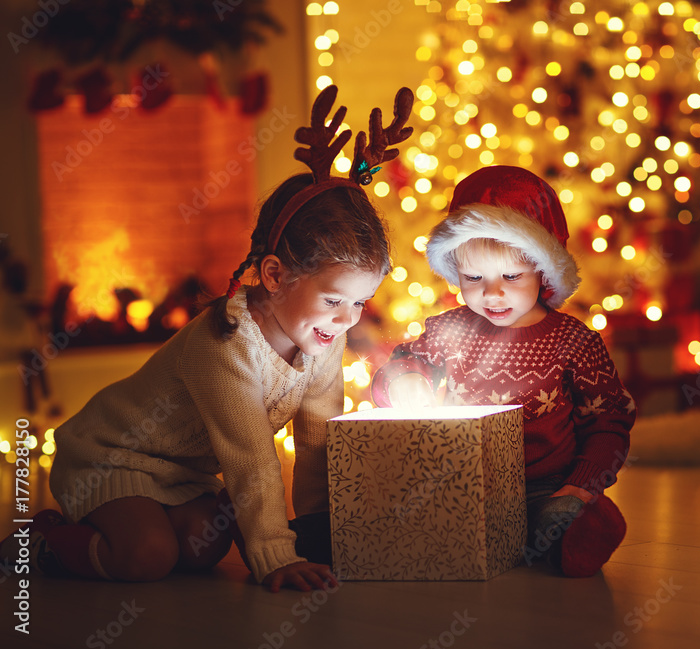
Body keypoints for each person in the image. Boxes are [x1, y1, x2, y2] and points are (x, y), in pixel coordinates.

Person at [2, 84, 413, 592]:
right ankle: (40, 543)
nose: (348, 319)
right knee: (146, 556)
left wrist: (311, 536)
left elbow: (318, 438)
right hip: (111, 458)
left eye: (360, 302)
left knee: (202, 547)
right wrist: (274, 557)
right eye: (334, 301)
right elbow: (251, 452)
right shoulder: (225, 344)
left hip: (184, 475)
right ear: (273, 275)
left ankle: (184, 521)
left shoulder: (320, 340)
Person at [371, 165, 636, 578]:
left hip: (545, 488)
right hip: (459, 483)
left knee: (553, 523)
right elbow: (400, 366)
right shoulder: (447, 330)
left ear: (542, 271)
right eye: (473, 278)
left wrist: (579, 486)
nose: (491, 293)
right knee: (391, 518)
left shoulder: (573, 341)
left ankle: (576, 529)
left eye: (511, 277)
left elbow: (609, 422)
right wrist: (405, 381)